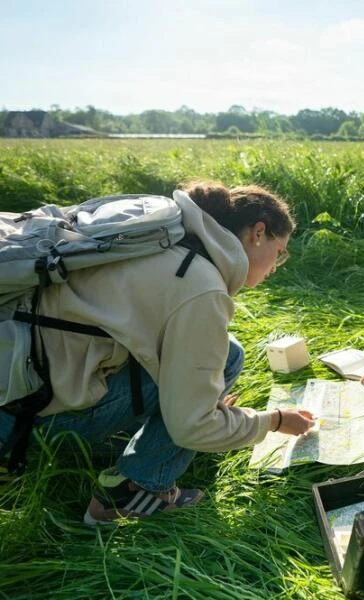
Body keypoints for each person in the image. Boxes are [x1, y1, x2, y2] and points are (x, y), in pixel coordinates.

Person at [0, 181, 315, 524]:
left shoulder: (161, 236)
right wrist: (274, 421)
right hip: (32, 420)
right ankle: (132, 492)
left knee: (217, 363)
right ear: (258, 232)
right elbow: (192, 428)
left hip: (19, 392)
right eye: (279, 252)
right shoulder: (200, 286)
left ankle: (124, 443)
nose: (274, 267)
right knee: (228, 358)